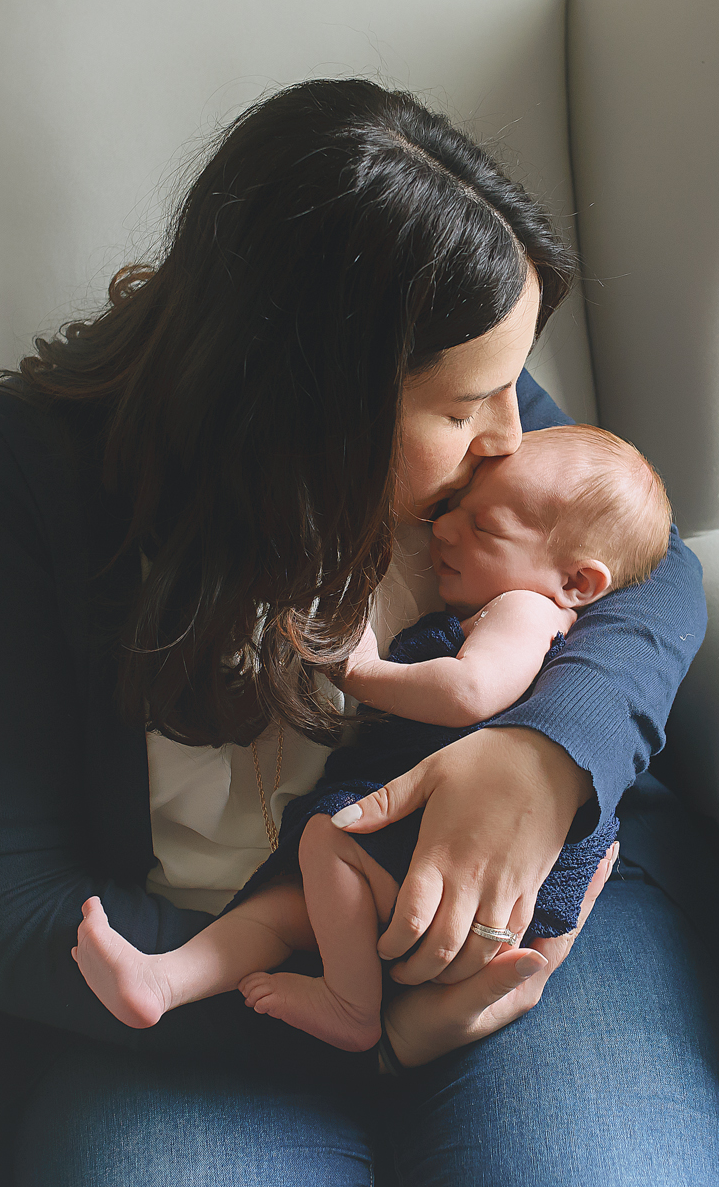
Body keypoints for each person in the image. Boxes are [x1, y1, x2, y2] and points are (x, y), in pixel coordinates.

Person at [0, 80, 719, 1185]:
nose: (509, 436)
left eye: (511, 385)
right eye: (465, 406)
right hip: (193, 997)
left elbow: (647, 571)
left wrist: (544, 750)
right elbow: (1, 903)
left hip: (526, 935)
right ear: (310, 397)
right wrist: (377, 1016)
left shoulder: (465, 401)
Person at [69, 425, 673, 1055]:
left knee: (326, 842)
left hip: (459, 840)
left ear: (578, 582)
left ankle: (351, 1004)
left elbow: (469, 691)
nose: (442, 529)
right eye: (450, 509)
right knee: (283, 913)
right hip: (429, 844)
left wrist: (360, 671)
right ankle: (161, 981)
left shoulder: (526, 610)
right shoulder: (522, 588)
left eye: (483, 527)